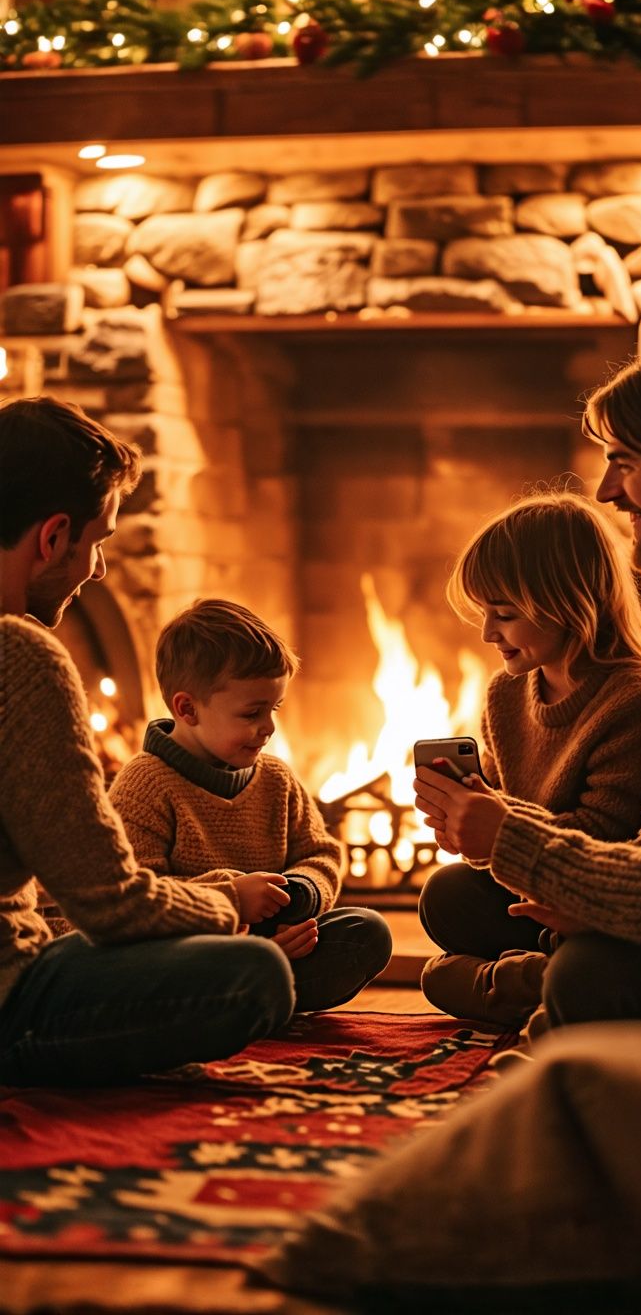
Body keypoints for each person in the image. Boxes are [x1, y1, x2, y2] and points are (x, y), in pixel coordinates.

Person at [415, 343, 641, 1033]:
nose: (606, 491)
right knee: (456, 900)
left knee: (589, 976)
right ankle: (547, 993)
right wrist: (581, 897)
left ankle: (549, 995)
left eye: (624, 462)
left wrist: (514, 842)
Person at [0, 395, 298, 1088]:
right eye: (98, 541)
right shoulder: (21, 658)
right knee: (256, 977)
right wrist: (229, 904)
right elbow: (111, 905)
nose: (99, 569)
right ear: (53, 537)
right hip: (11, 1001)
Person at [418, 490, 641, 1029]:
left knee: (445, 975)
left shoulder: (639, 702)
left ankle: (526, 984)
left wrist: (496, 825)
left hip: (598, 900)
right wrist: (468, 828)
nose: (487, 633)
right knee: (445, 895)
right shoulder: (506, 695)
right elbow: (503, 822)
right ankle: (537, 977)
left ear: (567, 602)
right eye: (484, 614)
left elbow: (610, 846)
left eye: (504, 614)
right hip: (530, 890)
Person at [109, 599, 392, 1013]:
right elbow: (137, 900)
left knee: (367, 931)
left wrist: (303, 893)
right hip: (194, 954)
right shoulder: (143, 786)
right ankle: (249, 991)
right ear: (186, 709)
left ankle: (258, 994)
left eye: (274, 708)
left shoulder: (276, 779)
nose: (269, 728)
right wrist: (231, 900)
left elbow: (320, 852)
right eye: (252, 713)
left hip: (278, 948)